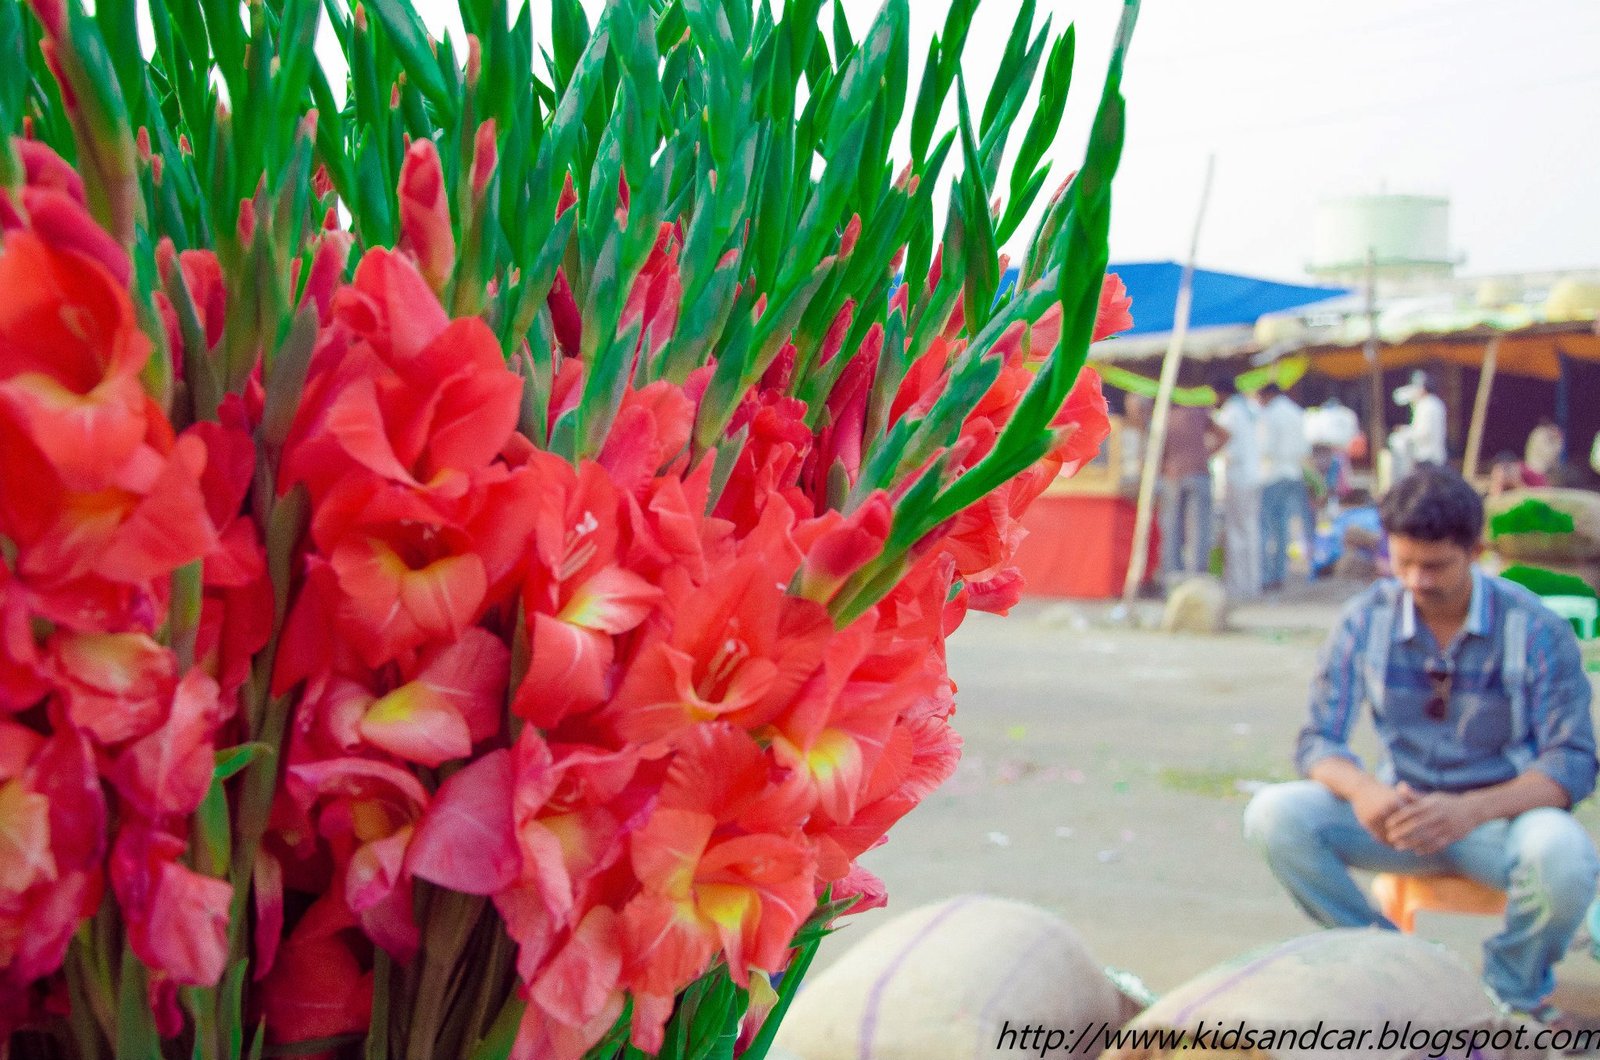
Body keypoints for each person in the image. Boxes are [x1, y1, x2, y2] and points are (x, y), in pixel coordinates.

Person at [1243, 465, 1598, 1030]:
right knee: (1272, 815)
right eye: (1402, 562)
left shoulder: (1535, 628)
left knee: (1567, 858)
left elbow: (1573, 763)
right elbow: (1316, 742)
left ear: (1476, 550)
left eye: (1434, 566)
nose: (1415, 580)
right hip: (1398, 821)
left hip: (1498, 825)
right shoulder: (1365, 619)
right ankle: (1391, 963)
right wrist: (1365, 793)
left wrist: (1468, 811)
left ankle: (1512, 990)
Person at [1156, 387, 1229, 584]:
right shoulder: (1199, 413)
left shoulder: (1165, 418)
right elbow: (1225, 435)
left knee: (1172, 528)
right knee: (1200, 527)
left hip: (1174, 475)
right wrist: (1206, 454)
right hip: (1198, 473)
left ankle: (1172, 576)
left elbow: (1157, 451)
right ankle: (1197, 575)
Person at [1258, 382, 1316, 590]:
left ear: (1268, 395)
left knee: (1267, 527)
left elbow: (1265, 447)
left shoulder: (1271, 414)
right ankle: (1279, 574)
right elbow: (1304, 447)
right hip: (1293, 473)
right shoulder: (1295, 411)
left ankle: (1266, 575)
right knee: (1283, 526)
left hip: (1274, 474)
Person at [1212, 376, 1263, 600]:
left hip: (1239, 477)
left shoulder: (1231, 412)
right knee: (1250, 531)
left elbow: (1227, 444)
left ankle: (1240, 586)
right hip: (1253, 475)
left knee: (1237, 533)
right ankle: (1252, 583)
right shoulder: (1249, 409)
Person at [1390, 371, 1448, 473]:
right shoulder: (1435, 403)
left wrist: (1404, 431)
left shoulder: (1426, 405)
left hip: (1427, 457)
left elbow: (1423, 433)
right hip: (1435, 456)